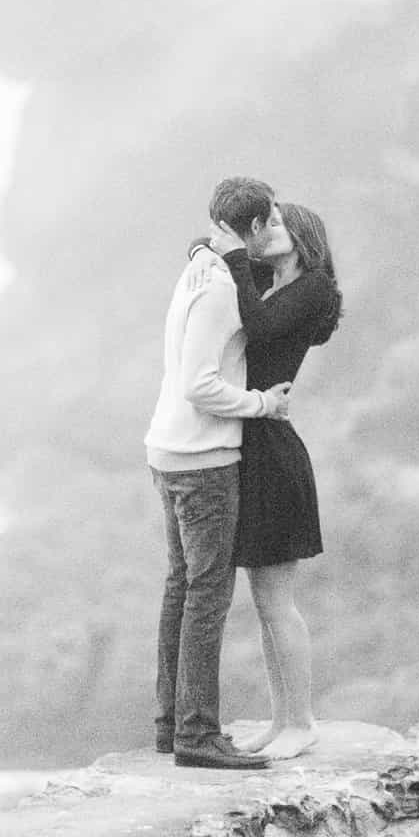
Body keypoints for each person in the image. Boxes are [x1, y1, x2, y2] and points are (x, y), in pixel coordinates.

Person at [144, 176, 293, 770]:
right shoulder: (221, 287)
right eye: (272, 220)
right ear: (253, 228)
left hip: (169, 451)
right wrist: (263, 403)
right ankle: (198, 735)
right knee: (206, 596)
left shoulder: (198, 269)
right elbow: (201, 385)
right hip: (202, 461)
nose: (276, 226)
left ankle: (170, 726)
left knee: (182, 588)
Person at [193, 202, 342, 761]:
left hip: (275, 457)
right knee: (264, 602)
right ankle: (282, 720)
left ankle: (302, 722)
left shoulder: (313, 288)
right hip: (253, 447)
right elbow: (225, 243)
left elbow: (255, 325)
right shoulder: (271, 282)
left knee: (278, 601)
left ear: (303, 237)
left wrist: (233, 260)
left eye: (277, 223)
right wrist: (210, 248)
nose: (266, 230)